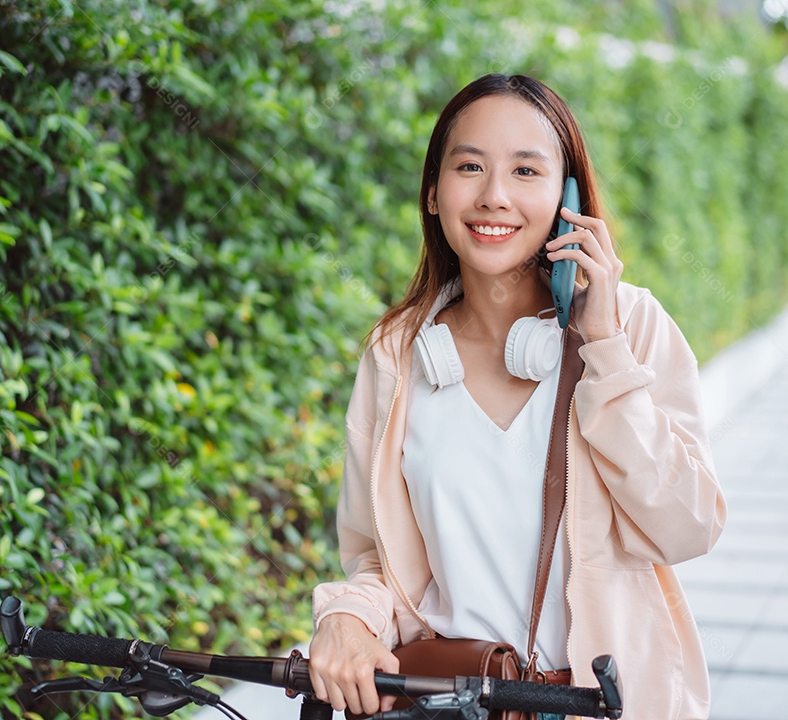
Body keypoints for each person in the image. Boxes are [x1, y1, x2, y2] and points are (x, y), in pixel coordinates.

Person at [308, 73, 727, 720]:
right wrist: (347, 615)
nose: (494, 196)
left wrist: (605, 347)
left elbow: (687, 526)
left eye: (526, 171)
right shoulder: (397, 354)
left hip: (602, 705)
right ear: (432, 192)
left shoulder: (631, 327)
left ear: (567, 199)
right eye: (469, 166)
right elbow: (374, 558)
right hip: (452, 703)